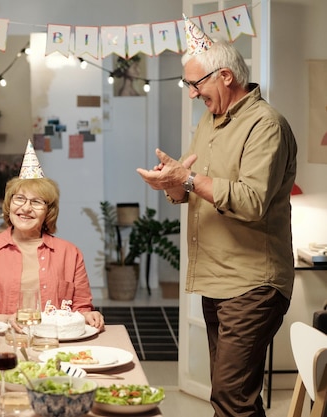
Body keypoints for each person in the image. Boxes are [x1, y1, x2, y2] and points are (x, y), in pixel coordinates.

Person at [136, 17, 297, 417]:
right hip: (218, 280)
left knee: (230, 399)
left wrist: (187, 178)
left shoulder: (266, 125)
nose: (192, 94)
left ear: (225, 75)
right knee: (236, 397)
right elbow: (197, 188)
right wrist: (172, 186)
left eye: (196, 84)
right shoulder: (209, 122)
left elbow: (251, 199)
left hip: (252, 283)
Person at [0, 140, 104, 331]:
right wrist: (6, 320)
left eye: (37, 202)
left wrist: (88, 315)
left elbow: (81, 308)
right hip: (2, 344)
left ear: (48, 211)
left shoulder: (70, 253)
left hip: (54, 342)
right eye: (19, 198)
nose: (26, 208)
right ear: (9, 204)